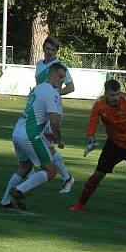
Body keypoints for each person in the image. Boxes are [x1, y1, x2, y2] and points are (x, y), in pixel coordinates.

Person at [69, 79, 126, 211]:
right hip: (114, 144)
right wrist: (90, 138)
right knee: (97, 175)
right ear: (105, 93)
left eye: (118, 94)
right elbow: (93, 122)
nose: (116, 98)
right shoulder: (99, 105)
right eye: (112, 95)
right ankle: (80, 204)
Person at [0, 64, 68, 209]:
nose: (62, 81)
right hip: (30, 135)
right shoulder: (52, 93)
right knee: (51, 171)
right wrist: (59, 139)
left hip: (17, 131)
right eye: (61, 77)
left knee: (25, 166)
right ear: (53, 74)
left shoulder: (38, 88)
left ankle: (5, 201)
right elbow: (54, 120)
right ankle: (19, 190)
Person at [33, 36, 76, 193]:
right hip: (39, 109)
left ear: (56, 51)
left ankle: (67, 178)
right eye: (47, 48)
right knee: (38, 141)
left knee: (47, 145)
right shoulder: (39, 65)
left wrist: (57, 91)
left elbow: (71, 87)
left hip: (52, 110)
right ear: (43, 49)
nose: (49, 52)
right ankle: (64, 177)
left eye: (53, 49)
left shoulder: (60, 67)